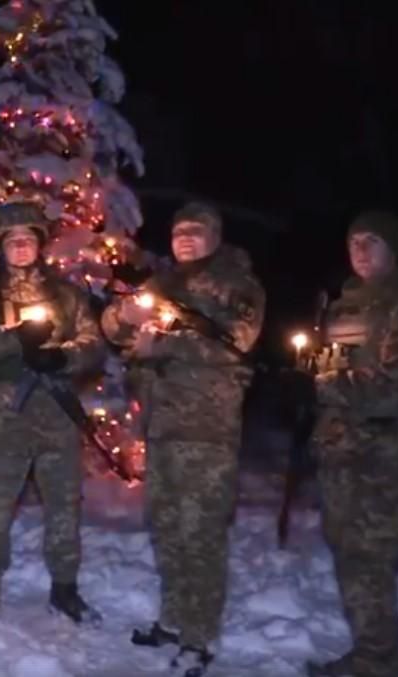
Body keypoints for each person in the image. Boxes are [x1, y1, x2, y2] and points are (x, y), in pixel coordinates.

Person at [102, 201, 265, 676]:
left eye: (196, 230)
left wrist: (164, 345)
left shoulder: (239, 283)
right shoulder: (163, 283)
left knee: (201, 535)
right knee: (168, 528)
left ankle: (199, 635)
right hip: (163, 426)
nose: (186, 238)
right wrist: (126, 316)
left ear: (215, 234)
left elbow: (237, 338)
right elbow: (113, 327)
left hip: (207, 429)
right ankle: (173, 621)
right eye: (179, 231)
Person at [0, 202, 104, 623]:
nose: (20, 248)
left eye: (28, 240)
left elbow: (93, 343)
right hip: (4, 416)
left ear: (40, 244)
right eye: (12, 241)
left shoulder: (67, 295)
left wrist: (62, 357)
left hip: (56, 414)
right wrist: (13, 341)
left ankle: (65, 589)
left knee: (64, 504)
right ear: (1, 246)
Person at [305, 212, 398, 677]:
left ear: (394, 249)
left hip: (383, 455)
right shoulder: (341, 309)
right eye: (354, 241)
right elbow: (327, 370)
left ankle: (379, 661)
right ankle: (372, 652)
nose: (361, 250)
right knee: (350, 556)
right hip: (338, 452)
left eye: (373, 241)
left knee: (372, 559)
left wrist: (333, 383)